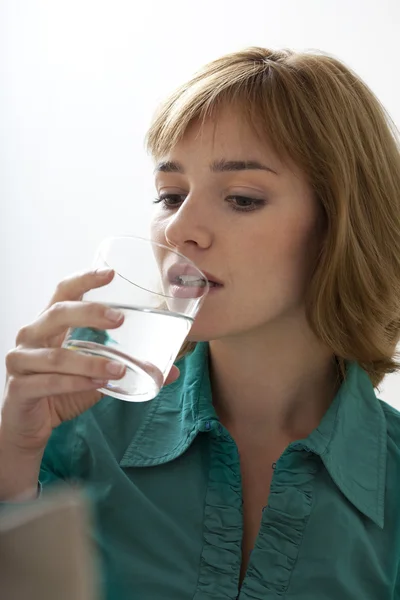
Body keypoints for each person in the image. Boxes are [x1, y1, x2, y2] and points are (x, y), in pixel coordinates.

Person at [1, 46, 400, 600]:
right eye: (170, 195)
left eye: (241, 198)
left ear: (340, 225)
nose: (179, 230)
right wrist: (14, 464)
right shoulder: (76, 423)